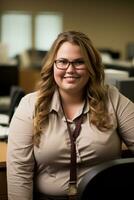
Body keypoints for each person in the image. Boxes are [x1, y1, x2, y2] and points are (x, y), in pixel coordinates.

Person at [7, 30, 134, 200]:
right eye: (62, 62)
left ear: (91, 67)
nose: (70, 69)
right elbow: (19, 174)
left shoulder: (113, 98)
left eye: (79, 62)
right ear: (52, 65)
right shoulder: (30, 105)